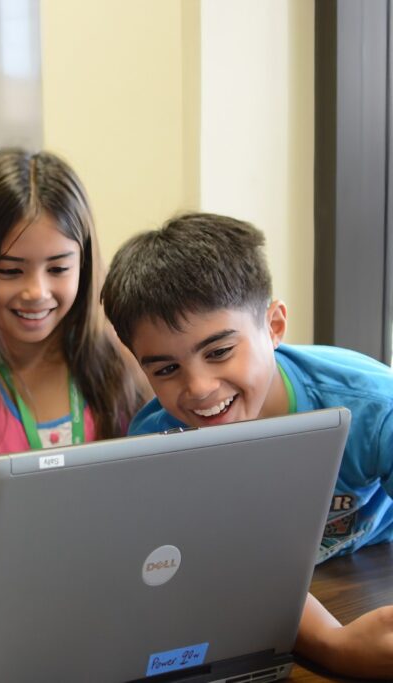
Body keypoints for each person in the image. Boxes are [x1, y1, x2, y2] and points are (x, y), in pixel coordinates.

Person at [101, 212, 393, 679]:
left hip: (369, 564)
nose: (199, 388)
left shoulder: (372, 405)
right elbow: (225, 571)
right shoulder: (157, 443)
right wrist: (334, 646)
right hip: (267, 593)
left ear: (274, 326)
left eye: (219, 352)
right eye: (166, 369)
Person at [0, 148, 147, 509]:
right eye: (10, 271)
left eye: (58, 269)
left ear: (84, 264)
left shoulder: (127, 353)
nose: (36, 292)